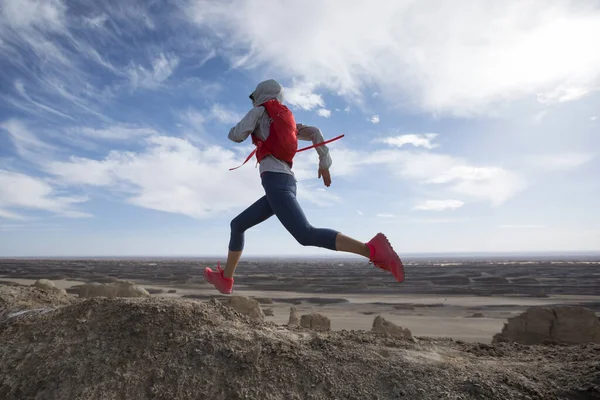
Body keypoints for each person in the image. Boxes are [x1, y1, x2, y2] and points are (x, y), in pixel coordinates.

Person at [203, 79, 404, 294]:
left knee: (305, 234)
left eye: (255, 97)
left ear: (260, 95)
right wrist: (324, 163)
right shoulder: (287, 121)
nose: (254, 102)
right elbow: (315, 132)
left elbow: (235, 135)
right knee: (237, 225)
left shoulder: (261, 112)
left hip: (275, 182)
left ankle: (372, 250)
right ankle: (226, 280)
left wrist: (249, 125)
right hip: (285, 183)